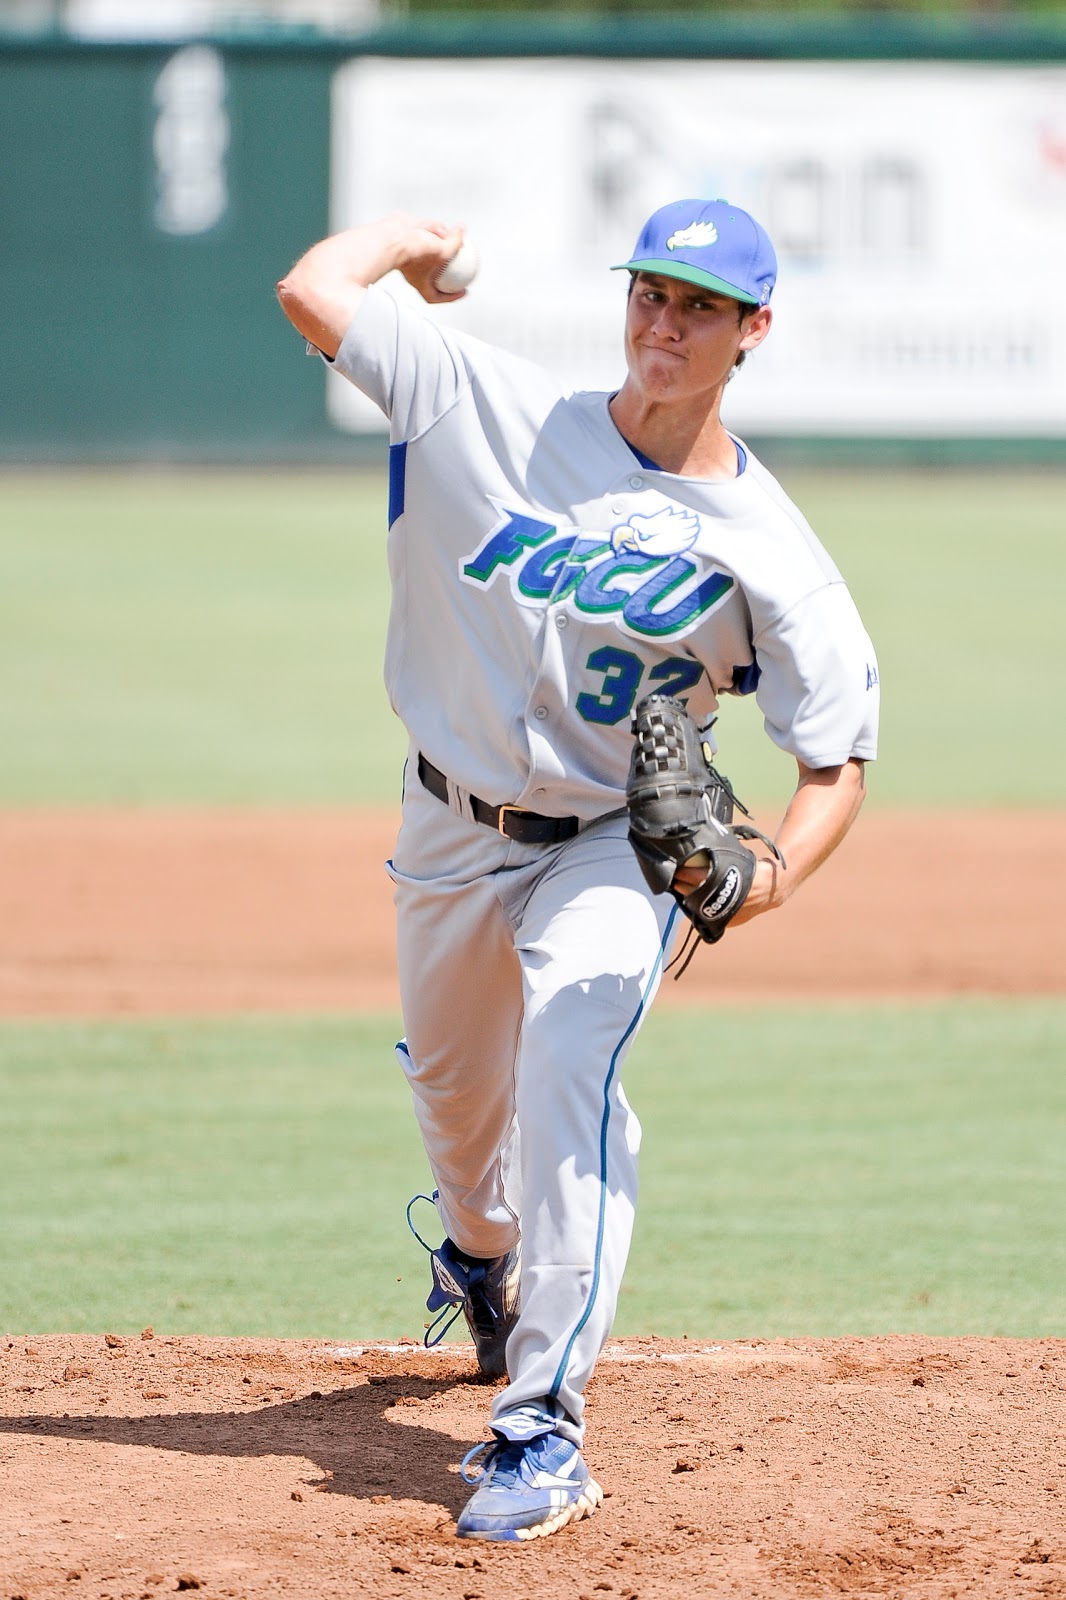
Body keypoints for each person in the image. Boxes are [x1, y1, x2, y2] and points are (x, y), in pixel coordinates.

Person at [276, 197, 879, 1544]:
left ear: (751, 331)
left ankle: (540, 1429)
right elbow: (314, 293)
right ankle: (483, 1263)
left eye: (701, 306)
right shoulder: (478, 400)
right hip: (444, 823)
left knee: (573, 1072)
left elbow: (833, 763)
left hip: (612, 845)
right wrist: (409, 246)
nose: (665, 323)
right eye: (650, 294)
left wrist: (763, 876)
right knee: (453, 1100)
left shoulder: (770, 549)